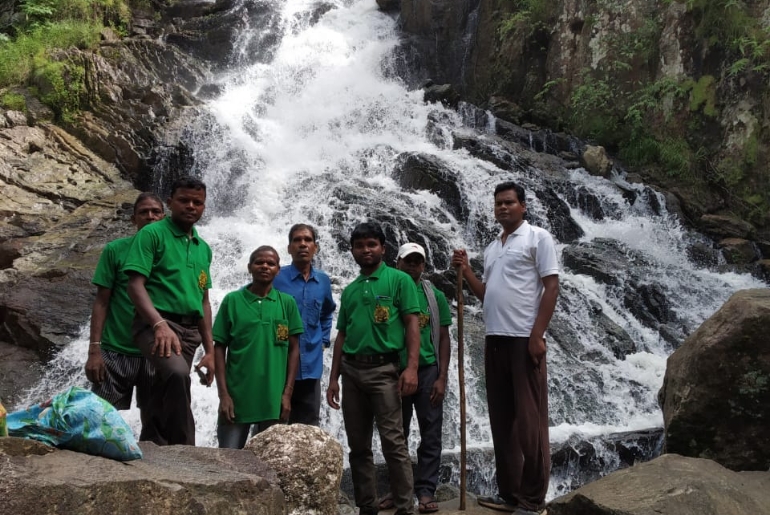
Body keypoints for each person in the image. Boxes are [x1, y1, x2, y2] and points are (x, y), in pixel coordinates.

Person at [452, 181, 559, 515]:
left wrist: (538, 335)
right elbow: (487, 294)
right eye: (498, 203)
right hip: (494, 338)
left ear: (523, 206)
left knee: (530, 422)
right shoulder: (492, 247)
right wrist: (466, 270)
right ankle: (510, 493)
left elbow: (551, 286)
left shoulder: (537, 237)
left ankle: (532, 499)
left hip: (523, 338)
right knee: (502, 419)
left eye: (509, 202)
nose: (502, 208)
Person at [326, 222, 421, 515]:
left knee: (394, 442)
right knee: (358, 447)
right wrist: (333, 379)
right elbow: (341, 334)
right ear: (352, 251)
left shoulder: (399, 280)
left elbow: (412, 323)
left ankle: (405, 507)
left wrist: (412, 368)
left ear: (383, 248)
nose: (366, 250)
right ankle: (367, 507)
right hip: (352, 372)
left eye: (372, 245)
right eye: (359, 246)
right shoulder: (352, 290)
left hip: (384, 371)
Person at [123, 175, 216, 446]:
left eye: (197, 202)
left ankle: (153, 443)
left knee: (163, 388)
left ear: (204, 206)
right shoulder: (152, 234)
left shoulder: (203, 248)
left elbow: (204, 301)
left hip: (189, 332)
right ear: (170, 202)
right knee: (177, 375)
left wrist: (209, 351)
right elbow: (134, 285)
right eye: (184, 200)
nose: (190, 206)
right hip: (155, 324)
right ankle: (187, 448)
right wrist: (158, 324)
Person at [379, 242, 452, 514]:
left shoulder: (434, 297)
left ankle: (425, 491)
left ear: (424, 265)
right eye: (408, 261)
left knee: (430, 433)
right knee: (396, 434)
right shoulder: (386, 293)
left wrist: (442, 377)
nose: (413, 266)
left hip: (428, 369)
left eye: (418, 262)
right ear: (396, 262)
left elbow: (444, 338)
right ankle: (399, 490)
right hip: (394, 371)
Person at [85, 192, 164, 439]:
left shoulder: (172, 253)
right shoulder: (115, 250)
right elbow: (101, 302)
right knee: (99, 418)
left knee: (156, 421)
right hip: (115, 350)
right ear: (133, 219)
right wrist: (94, 350)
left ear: (164, 216)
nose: (150, 216)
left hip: (156, 351)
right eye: (144, 212)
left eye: (156, 212)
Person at [213, 246, 303, 448]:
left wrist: (287, 394)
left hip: (273, 401)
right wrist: (223, 395)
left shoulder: (287, 303)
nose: (265, 266)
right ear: (249, 267)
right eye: (259, 262)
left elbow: (294, 349)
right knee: (229, 462)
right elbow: (219, 348)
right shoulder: (232, 301)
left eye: (271, 263)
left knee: (269, 465)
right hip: (236, 401)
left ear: (278, 270)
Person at [272, 223, 336, 426]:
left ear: (315, 247)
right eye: (297, 240)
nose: (303, 244)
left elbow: (327, 312)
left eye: (308, 240)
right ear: (289, 247)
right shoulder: (275, 277)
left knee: (309, 425)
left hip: (311, 364)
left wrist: (324, 340)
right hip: (279, 363)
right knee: (274, 424)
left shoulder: (323, 281)